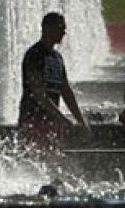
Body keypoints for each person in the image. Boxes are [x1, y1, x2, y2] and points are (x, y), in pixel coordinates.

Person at [18, 12, 87, 152]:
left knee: (53, 162)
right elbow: (38, 93)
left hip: (51, 121)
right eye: (61, 27)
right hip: (33, 118)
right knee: (37, 161)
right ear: (47, 28)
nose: (64, 32)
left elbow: (66, 91)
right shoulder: (34, 54)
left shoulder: (57, 58)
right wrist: (61, 118)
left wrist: (81, 122)